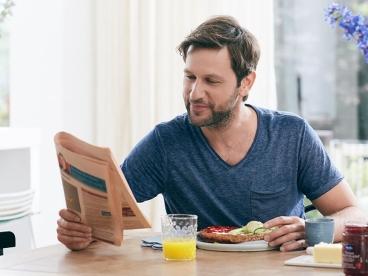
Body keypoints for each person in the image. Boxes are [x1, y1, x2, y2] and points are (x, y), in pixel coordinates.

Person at [57, 15, 367, 252]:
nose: (194, 93)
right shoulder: (166, 142)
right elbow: (104, 219)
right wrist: (79, 231)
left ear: (246, 83)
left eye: (211, 81)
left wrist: (310, 230)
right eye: (190, 77)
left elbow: (355, 214)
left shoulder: (292, 134)